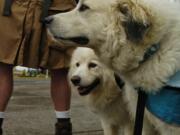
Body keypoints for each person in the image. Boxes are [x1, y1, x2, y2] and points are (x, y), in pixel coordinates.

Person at [0, 0, 77, 135]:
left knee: (60, 66)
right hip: (13, 7)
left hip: (56, 6)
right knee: (3, 63)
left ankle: (63, 127)